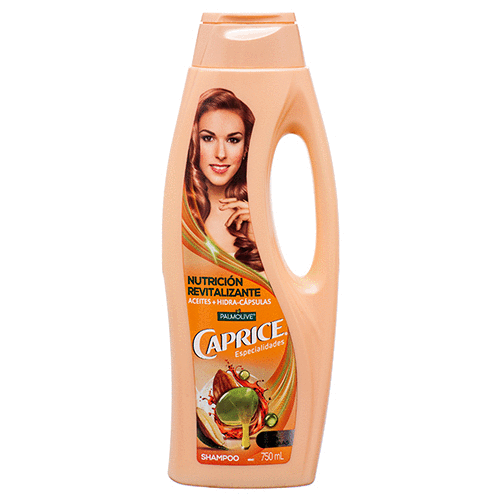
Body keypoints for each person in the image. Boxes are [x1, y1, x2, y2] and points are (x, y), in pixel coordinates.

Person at [184, 88, 263, 272]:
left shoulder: (261, 212)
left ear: (246, 148)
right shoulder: (182, 210)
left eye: (233, 140)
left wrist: (257, 242)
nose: (220, 154)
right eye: (208, 138)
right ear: (194, 143)